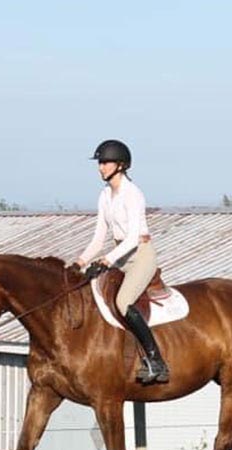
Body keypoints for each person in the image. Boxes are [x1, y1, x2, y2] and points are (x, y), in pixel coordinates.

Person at [74, 139, 169, 384]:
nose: (100, 167)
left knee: (123, 301)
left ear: (121, 165)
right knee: (93, 294)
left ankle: (156, 360)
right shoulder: (105, 196)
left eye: (105, 162)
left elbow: (132, 239)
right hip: (119, 256)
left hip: (140, 256)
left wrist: (107, 261)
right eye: (100, 163)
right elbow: (98, 237)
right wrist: (80, 262)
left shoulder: (133, 194)